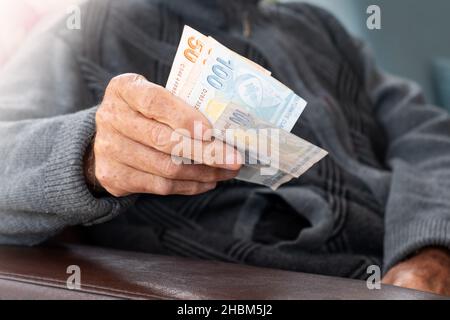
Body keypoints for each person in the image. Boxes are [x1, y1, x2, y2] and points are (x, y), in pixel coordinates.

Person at [0, 0, 449, 295]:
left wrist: (428, 250)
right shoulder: (89, 26)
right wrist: (91, 155)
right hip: (262, 282)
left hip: (400, 265)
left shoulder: (320, 26)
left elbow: (427, 136)